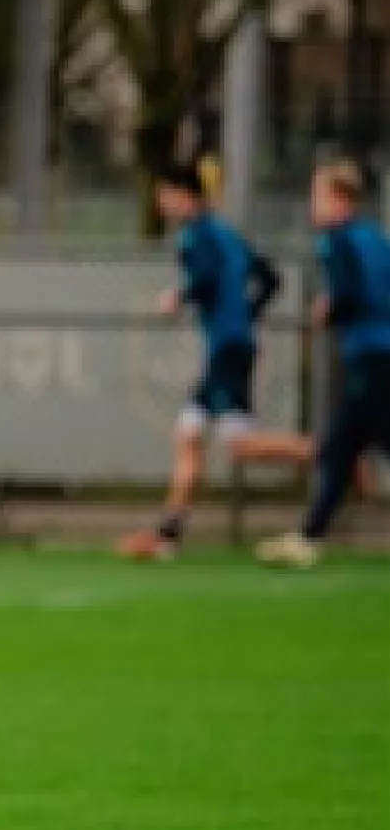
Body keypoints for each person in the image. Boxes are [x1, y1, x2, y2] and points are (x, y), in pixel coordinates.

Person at [119, 159, 286, 559]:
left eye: (164, 196)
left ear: (183, 196)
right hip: (234, 342)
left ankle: (331, 454)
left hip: (227, 346)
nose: (161, 204)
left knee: (239, 445)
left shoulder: (193, 236)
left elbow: (206, 278)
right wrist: (247, 313)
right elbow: (270, 278)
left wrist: (179, 296)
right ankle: (168, 535)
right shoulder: (227, 232)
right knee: (189, 434)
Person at [256, 155, 390, 567]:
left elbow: (350, 295)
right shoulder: (375, 237)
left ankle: (309, 537)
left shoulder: (335, 240)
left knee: (359, 441)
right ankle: (309, 537)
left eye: (316, 194)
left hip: (372, 352)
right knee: (339, 446)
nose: (312, 204)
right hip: (379, 352)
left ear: (338, 198)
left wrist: (327, 310)